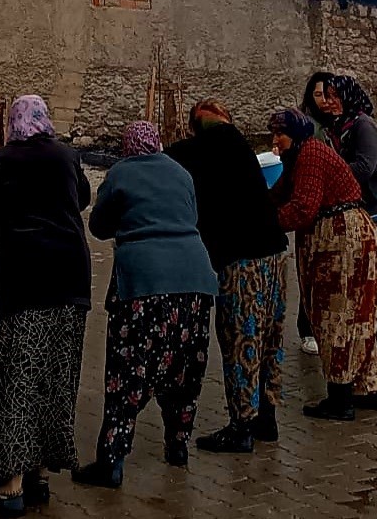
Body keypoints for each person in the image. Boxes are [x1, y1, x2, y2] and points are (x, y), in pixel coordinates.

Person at [0, 94, 92, 516]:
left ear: (13, 123)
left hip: (26, 281)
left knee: (16, 379)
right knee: (53, 376)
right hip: (71, 279)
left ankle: (7, 489)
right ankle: (37, 475)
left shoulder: (4, 160)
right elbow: (83, 198)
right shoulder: (67, 157)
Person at [75, 122, 217, 488]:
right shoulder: (181, 172)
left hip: (144, 284)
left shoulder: (121, 173)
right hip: (194, 279)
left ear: (127, 146)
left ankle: (111, 463)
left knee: (129, 370)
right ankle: (178, 445)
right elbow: (193, 217)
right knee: (186, 366)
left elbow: (100, 226)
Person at [167, 100, 289, 455]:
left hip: (242, 258)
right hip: (275, 252)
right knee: (270, 336)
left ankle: (241, 426)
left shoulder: (202, 147)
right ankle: (267, 416)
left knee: (241, 338)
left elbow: (166, 161)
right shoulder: (237, 144)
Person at [268, 108, 377, 421]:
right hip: (353, 234)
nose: (275, 140)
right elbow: (279, 195)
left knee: (336, 314)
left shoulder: (311, 155)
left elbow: (304, 206)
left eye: (280, 133)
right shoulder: (301, 157)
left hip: (341, 239)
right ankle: (367, 389)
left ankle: (341, 397)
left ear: (296, 132)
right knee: (358, 315)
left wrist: (267, 225)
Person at [323, 75, 377, 386]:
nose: (329, 102)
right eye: (326, 96)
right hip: (357, 214)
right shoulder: (338, 127)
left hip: (376, 214)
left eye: (334, 96)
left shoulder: (363, 125)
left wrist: (332, 171)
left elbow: (365, 167)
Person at [293, 71, 338, 356]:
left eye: (328, 94)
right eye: (318, 94)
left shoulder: (337, 124)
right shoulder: (307, 126)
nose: (323, 100)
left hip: (332, 208)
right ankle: (307, 326)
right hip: (312, 205)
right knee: (309, 269)